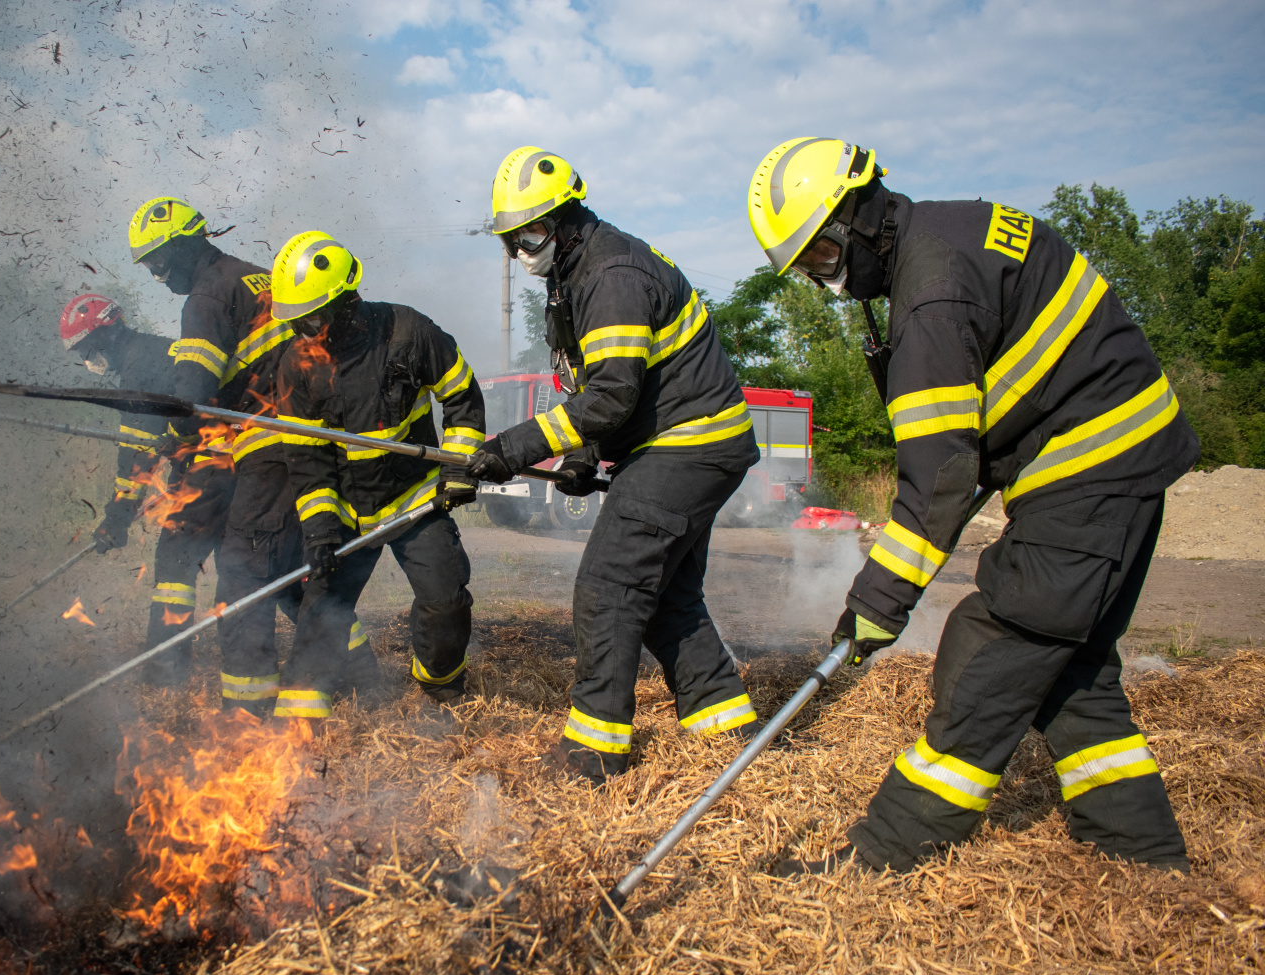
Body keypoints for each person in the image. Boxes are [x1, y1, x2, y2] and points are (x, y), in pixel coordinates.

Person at [746, 137, 1198, 873]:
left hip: (1092, 468)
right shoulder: (949, 232)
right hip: (1129, 454)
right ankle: (1140, 856)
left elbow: (941, 480)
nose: (827, 281)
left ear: (859, 216)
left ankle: (885, 853)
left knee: (989, 645)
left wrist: (877, 602)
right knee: (1070, 668)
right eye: (807, 270)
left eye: (824, 258)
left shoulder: (929, 297)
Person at [466, 147, 761, 785]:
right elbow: (599, 388)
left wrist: (515, 447)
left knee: (609, 588)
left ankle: (593, 752)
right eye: (512, 240)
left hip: (688, 444)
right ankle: (727, 725)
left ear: (569, 217)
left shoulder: (610, 274)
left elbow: (613, 395)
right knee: (666, 600)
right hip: (691, 443)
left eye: (534, 232)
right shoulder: (572, 275)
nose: (523, 249)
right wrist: (582, 452)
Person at [125, 198, 375, 712]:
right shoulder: (259, 277)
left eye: (156, 261)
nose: (155, 275)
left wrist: (171, 423)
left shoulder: (205, 298)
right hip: (310, 435)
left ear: (183, 245)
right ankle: (360, 673)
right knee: (287, 569)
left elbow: (192, 388)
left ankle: (245, 708)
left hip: (270, 443)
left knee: (241, 568)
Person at [271, 230, 485, 722]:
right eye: (297, 323)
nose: (306, 331)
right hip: (346, 510)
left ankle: (438, 684)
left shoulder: (408, 333)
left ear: (347, 300)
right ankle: (300, 718)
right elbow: (306, 457)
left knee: (446, 601)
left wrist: (456, 470)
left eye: (313, 318)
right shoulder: (298, 363)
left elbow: (463, 400)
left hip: (415, 499)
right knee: (321, 611)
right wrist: (322, 529)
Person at [59, 293, 232, 684]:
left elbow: (136, 460)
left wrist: (116, 518)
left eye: (87, 349)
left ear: (105, 335)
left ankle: (165, 671)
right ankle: (342, 657)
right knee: (240, 566)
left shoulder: (138, 370)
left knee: (174, 560)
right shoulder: (155, 351)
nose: (89, 360)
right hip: (228, 465)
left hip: (211, 466)